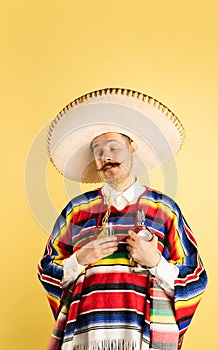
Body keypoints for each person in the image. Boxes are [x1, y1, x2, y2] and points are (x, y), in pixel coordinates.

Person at [37, 88, 207, 350]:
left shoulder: (164, 209)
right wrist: (80, 258)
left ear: (132, 147)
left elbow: (196, 278)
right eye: (98, 150)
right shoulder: (76, 209)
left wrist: (156, 262)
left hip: (144, 335)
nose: (105, 156)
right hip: (87, 334)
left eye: (113, 147)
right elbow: (47, 269)